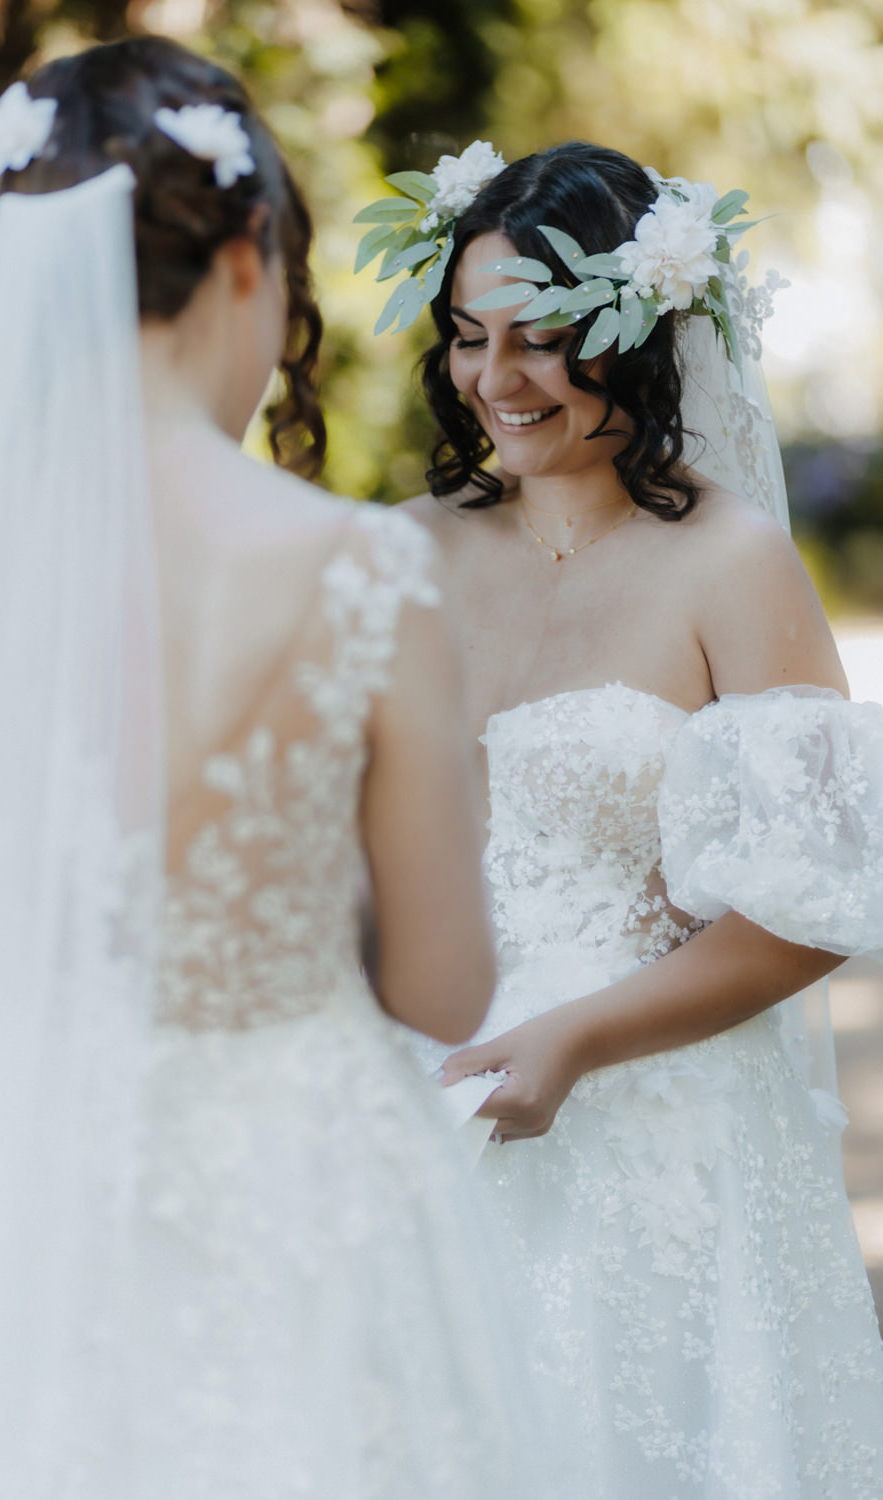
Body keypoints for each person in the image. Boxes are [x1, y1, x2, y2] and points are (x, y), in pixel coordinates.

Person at [0, 39, 547, 1499]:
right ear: (251, 253)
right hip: (292, 1191)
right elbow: (442, 988)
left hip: (13, 1191)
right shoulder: (358, 567)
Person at [361, 140, 883, 1496]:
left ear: (638, 333)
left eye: (542, 340)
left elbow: (809, 906)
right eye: (471, 337)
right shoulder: (402, 551)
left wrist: (576, 1039)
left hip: (656, 1144)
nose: (497, 379)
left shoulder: (728, 563)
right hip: (420, 1116)